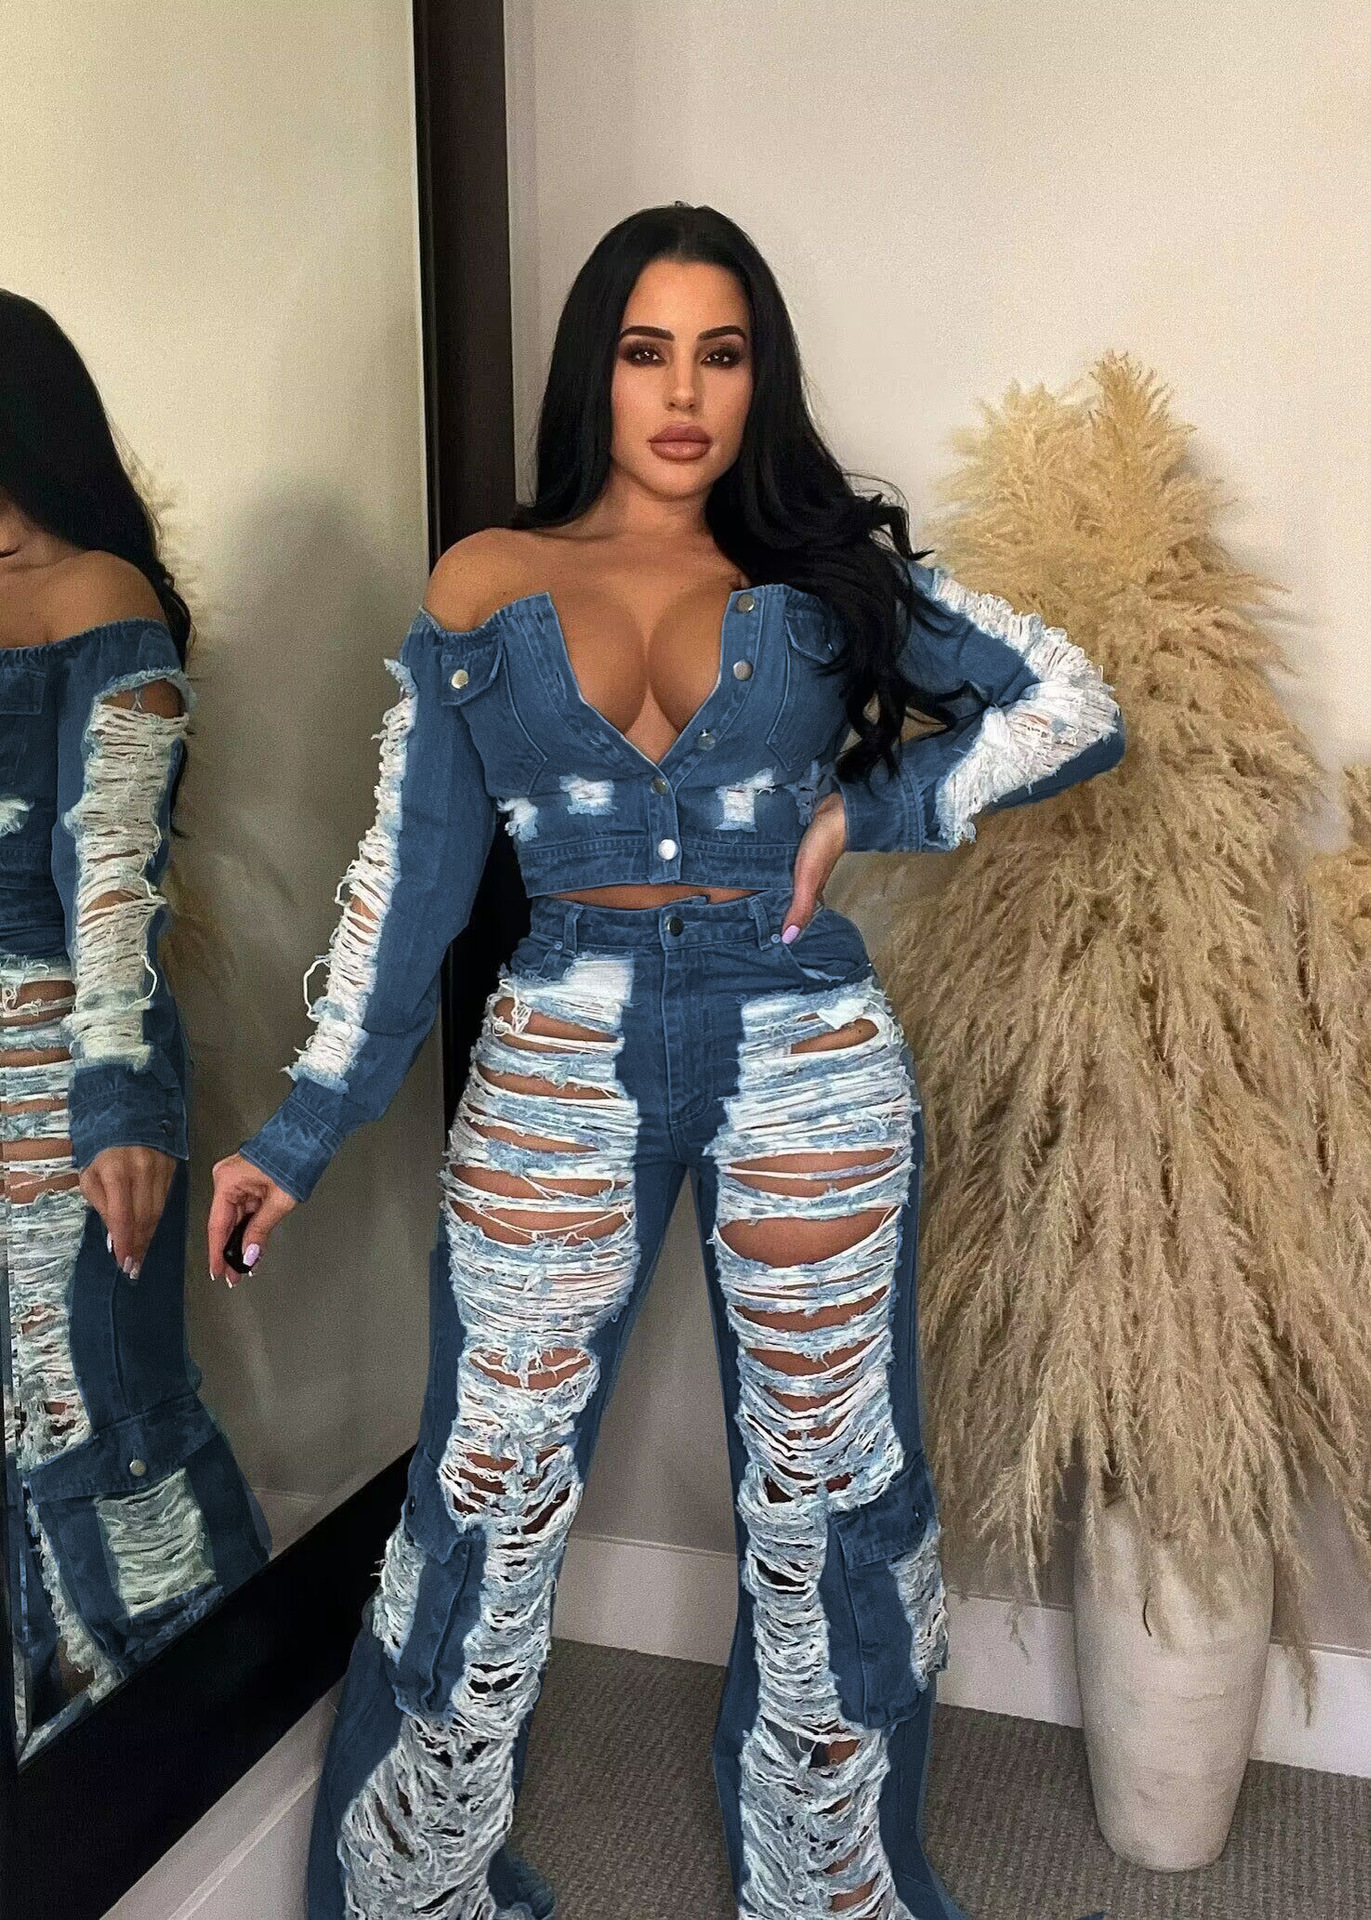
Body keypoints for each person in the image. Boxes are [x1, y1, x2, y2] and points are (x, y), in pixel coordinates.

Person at [210, 204, 1125, 1920]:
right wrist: (302, 1128)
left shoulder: (825, 577)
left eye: (723, 353)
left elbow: (1073, 705)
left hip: (805, 1043)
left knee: (831, 1493)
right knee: (488, 1488)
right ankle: (415, 1888)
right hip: (560, 1040)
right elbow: (413, 878)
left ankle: (827, 1883)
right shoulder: (485, 577)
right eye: (648, 352)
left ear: (760, 378)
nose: (685, 394)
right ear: (599, 372)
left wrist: (869, 809)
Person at [0, 291, 270, 1754]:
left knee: (105, 1429)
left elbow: (111, 877)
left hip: (52, 1083)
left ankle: (196, 1739)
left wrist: (113, 1104)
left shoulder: (95, 596)